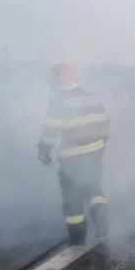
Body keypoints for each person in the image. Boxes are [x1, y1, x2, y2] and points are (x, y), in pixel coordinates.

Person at [37, 64, 110, 245]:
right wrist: (99, 148)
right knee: (93, 189)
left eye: (52, 79)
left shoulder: (59, 101)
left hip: (72, 158)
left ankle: (77, 239)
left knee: (72, 198)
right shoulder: (91, 97)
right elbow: (106, 124)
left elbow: (51, 132)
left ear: (58, 79)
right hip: (95, 154)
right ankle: (102, 218)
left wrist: (44, 151)